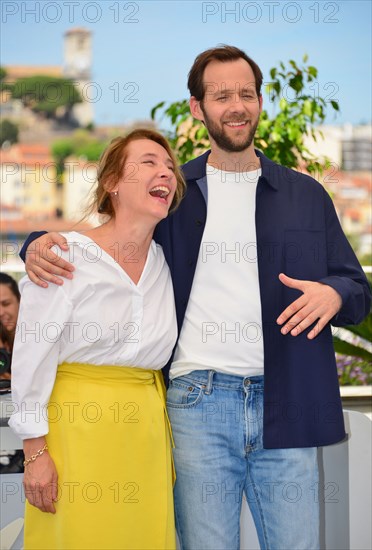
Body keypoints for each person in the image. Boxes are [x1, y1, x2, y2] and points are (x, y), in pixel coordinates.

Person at [20, 46, 371, 550]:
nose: (237, 105)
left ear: (260, 101)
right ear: (196, 107)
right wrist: (36, 242)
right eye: (222, 95)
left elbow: (360, 291)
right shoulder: (172, 195)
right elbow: (109, 238)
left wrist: (335, 294)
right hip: (198, 405)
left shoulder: (306, 194)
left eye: (246, 93)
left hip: (287, 400)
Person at [9, 129, 186, 550]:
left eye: (169, 167)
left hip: (145, 432)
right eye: (148, 162)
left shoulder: (168, 261)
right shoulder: (63, 255)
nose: (164, 172)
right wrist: (35, 453)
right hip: (75, 427)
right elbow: (31, 354)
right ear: (111, 183)